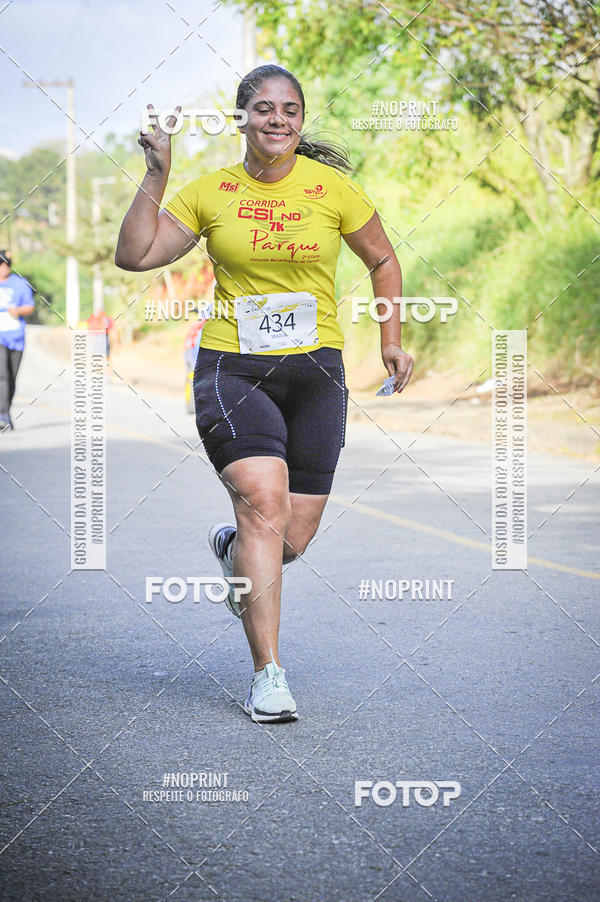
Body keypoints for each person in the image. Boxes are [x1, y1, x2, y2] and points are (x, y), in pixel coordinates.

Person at [115, 65, 414, 724]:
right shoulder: (211, 191)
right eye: (264, 109)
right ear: (242, 118)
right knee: (263, 503)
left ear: (300, 121)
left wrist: (391, 338)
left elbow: (383, 258)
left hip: (316, 375)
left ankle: (233, 551)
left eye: (290, 111)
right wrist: (158, 173)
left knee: (292, 538)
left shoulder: (332, 189)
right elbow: (136, 254)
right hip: (234, 370)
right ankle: (269, 675)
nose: (277, 120)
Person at [0, 250, 35, 432]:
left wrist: (18, 311)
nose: (4, 267)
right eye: (1, 264)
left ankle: (6, 411)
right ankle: (2, 414)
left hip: (16, 338)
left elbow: (30, 306)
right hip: (0, 338)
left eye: (7, 264)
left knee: (12, 377)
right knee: (2, 375)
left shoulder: (19, 284)